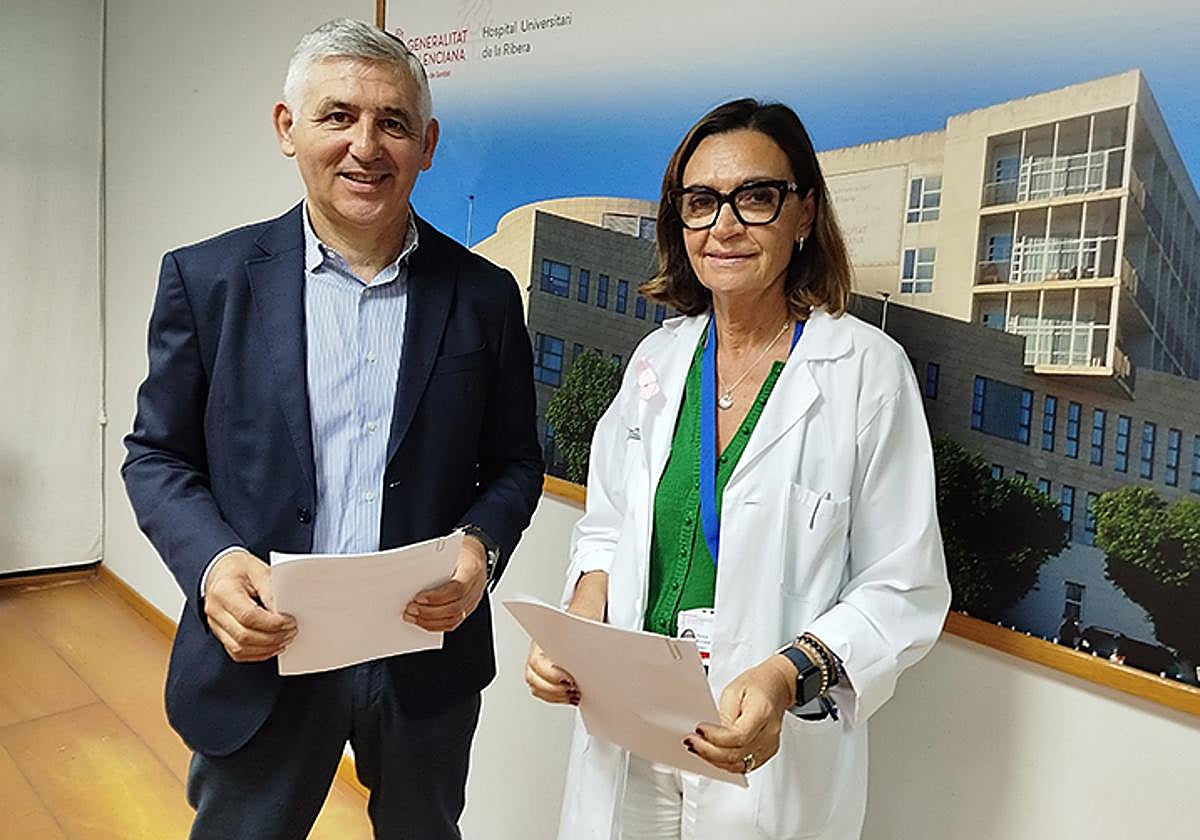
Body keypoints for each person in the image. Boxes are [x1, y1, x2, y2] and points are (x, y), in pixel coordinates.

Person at [122, 18, 543, 840]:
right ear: (288, 128)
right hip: (264, 651)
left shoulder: (485, 295)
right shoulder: (207, 281)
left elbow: (515, 464)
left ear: (426, 145)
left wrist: (480, 548)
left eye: (393, 123)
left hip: (422, 653)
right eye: (338, 116)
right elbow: (157, 456)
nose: (366, 146)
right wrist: (213, 564)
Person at [525, 99, 951, 839]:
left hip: (758, 736)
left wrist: (787, 676)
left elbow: (902, 585)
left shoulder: (865, 372)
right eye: (700, 202)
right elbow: (608, 525)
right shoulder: (659, 360)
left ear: (804, 214)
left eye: (755, 198)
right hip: (633, 715)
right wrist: (579, 621)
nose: (723, 226)